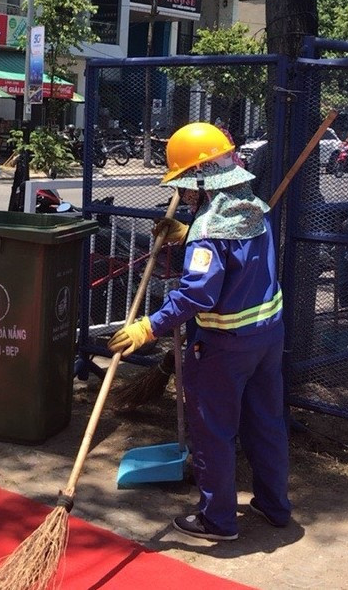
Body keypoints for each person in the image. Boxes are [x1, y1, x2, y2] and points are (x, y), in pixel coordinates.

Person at [108, 122, 291, 541]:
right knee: (266, 423)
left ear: (203, 180)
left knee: (214, 431)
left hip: (225, 348)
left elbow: (197, 296)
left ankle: (217, 520)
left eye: (187, 184)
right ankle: (275, 505)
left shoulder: (209, 230)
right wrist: (186, 232)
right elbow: (238, 256)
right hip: (267, 338)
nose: (183, 193)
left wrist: (147, 327)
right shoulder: (253, 208)